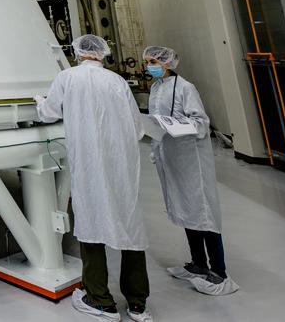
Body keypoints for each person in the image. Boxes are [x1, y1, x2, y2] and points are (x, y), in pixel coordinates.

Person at [37, 34, 152, 322]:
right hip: (121, 164)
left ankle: (100, 300)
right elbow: (137, 127)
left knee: (91, 225)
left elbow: (49, 113)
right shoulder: (117, 81)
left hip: (89, 164)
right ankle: (138, 304)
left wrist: (40, 103)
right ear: (103, 53)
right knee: (130, 226)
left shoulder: (67, 78)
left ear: (78, 53)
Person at [143, 45, 238, 297]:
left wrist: (177, 125)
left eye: (154, 61)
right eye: (148, 61)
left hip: (191, 160)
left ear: (167, 63)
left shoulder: (186, 88)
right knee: (186, 210)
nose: (149, 66)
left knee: (203, 212)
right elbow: (156, 122)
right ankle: (198, 264)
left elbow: (201, 123)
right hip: (171, 158)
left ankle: (219, 273)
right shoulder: (156, 88)